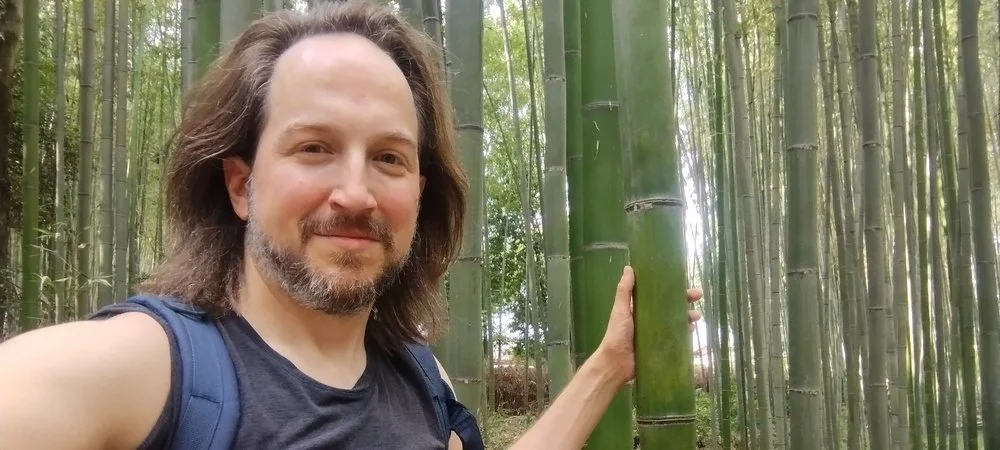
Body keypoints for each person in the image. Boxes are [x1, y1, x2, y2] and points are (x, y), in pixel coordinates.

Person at [0, 2, 702, 449]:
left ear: (420, 193)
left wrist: (610, 366)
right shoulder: (150, 372)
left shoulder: (420, 377)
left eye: (390, 158)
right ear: (242, 185)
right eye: (315, 148)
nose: (357, 192)